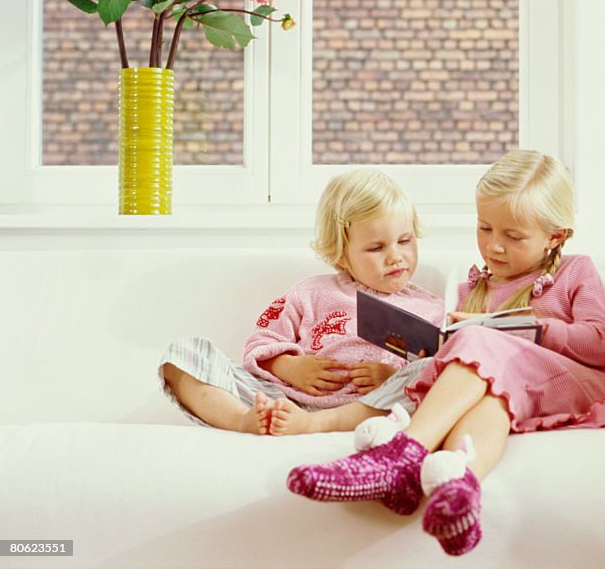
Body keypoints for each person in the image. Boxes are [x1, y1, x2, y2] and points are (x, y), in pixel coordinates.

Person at [286, 150, 605, 556]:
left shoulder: (575, 270)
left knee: (479, 341)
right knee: (488, 388)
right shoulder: (474, 286)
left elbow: (603, 344)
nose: (494, 246)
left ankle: (399, 459)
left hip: (579, 386)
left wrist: (528, 326)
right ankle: (460, 486)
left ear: (555, 236)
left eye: (513, 236)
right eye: (484, 228)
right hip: (518, 400)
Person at [158, 169, 445, 434]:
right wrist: (289, 367)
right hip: (286, 403)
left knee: (431, 374)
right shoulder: (311, 292)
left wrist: (391, 377)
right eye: (376, 247)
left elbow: (436, 376)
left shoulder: (432, 308)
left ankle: (316, 424)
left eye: (405, 241)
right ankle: (242, 420)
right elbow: (260, 342)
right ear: (341, 255)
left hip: (368, 409)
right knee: (182, 355)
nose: (396, 256)